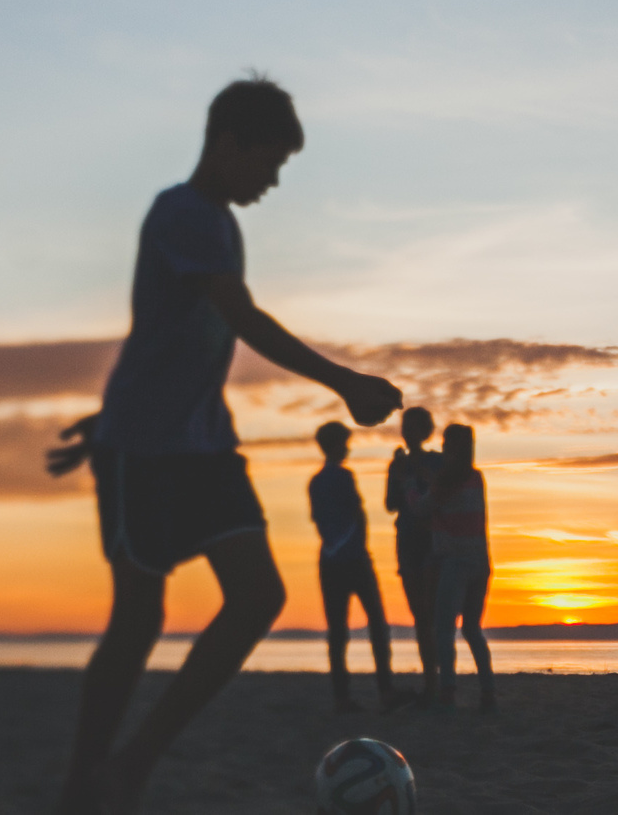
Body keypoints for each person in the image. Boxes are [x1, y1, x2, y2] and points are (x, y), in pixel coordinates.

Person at [51, 76, 402, 815]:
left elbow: (167, 337)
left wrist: (102, 413)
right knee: (138, 620)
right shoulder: (182, 212)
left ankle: (129, 767)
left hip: (206, 445)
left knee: (258, 595)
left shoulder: (220, 224)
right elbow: (238, 314)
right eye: (269, 162)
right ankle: (84, 786)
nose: (273, 181)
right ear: (228, 142)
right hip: (144, 450)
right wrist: (342, 380)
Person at [309, 421, 396, 712]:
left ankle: (342, 697)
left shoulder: (316, 482)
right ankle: (385, 691)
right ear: (335, 445)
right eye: (344, 443)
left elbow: (320, 521)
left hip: (330, 560)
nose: (347, 449)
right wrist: (357, 546)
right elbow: (357, 514)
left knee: (338, 631)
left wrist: (335, 545)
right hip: (354, 559)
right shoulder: (343, 477)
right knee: (376, 624)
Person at [412, 422, 494, 713]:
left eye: (446, 444)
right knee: (472, 629)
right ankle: (488, 693)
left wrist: (409, 485)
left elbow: (421, 508)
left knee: (444, 630)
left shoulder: (446, 482)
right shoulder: (475, 477)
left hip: (455, 563)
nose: (443, 448)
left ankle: (447, 692)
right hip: (481, 562)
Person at [383, 407, 442, 701]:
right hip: (407, 541)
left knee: (432, 612)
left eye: (413, 426)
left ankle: (438, 681)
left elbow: (443, 496)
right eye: (405, 426)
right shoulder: (398, 463)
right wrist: (398, 476)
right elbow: (390, 504)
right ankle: (431, 682)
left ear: (425, 430)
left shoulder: (436, 461)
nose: (408, 432)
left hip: (431, 540)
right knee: (420, 614)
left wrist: (419, 475)